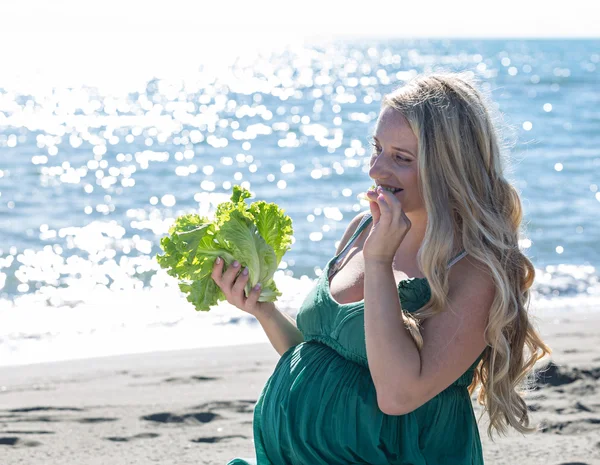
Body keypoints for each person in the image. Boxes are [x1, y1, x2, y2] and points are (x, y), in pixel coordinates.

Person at [212, 71, 552, 464]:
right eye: (377, 149)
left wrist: (378, 261)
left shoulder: (477, 271)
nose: (376, 170)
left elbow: (397, 394)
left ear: (449, 167)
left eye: (401, 158)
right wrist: (264, 311)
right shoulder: (362, 227)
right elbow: (322, 356)